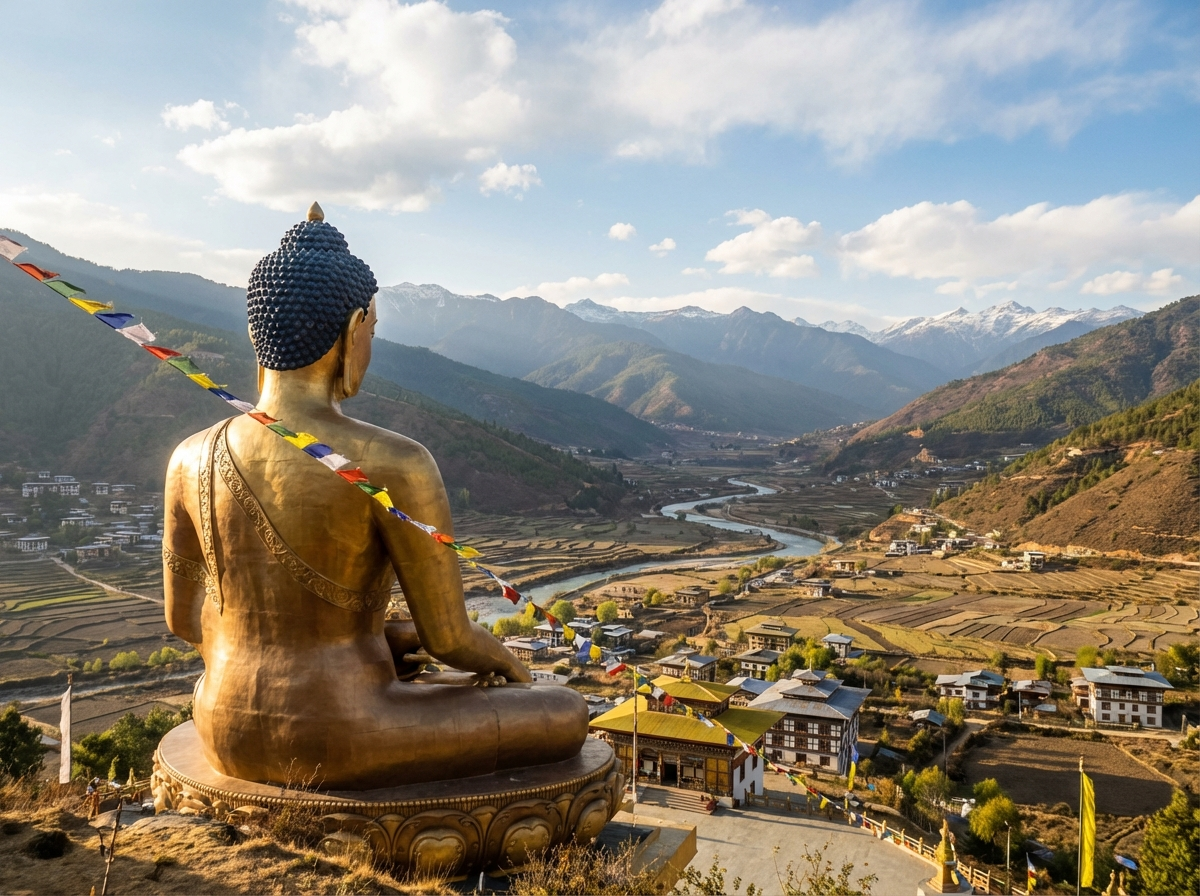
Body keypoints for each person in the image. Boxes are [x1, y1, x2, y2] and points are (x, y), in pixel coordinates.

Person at [162, 205, 587, 790]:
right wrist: (512, 666)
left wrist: (357, 638)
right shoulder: (393, 460)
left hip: (221, 725)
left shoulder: (188, 456)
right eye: (372, 331)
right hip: (346, 730)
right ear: (353, 327)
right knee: (564, 713)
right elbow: (451, 639)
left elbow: (183, 621)